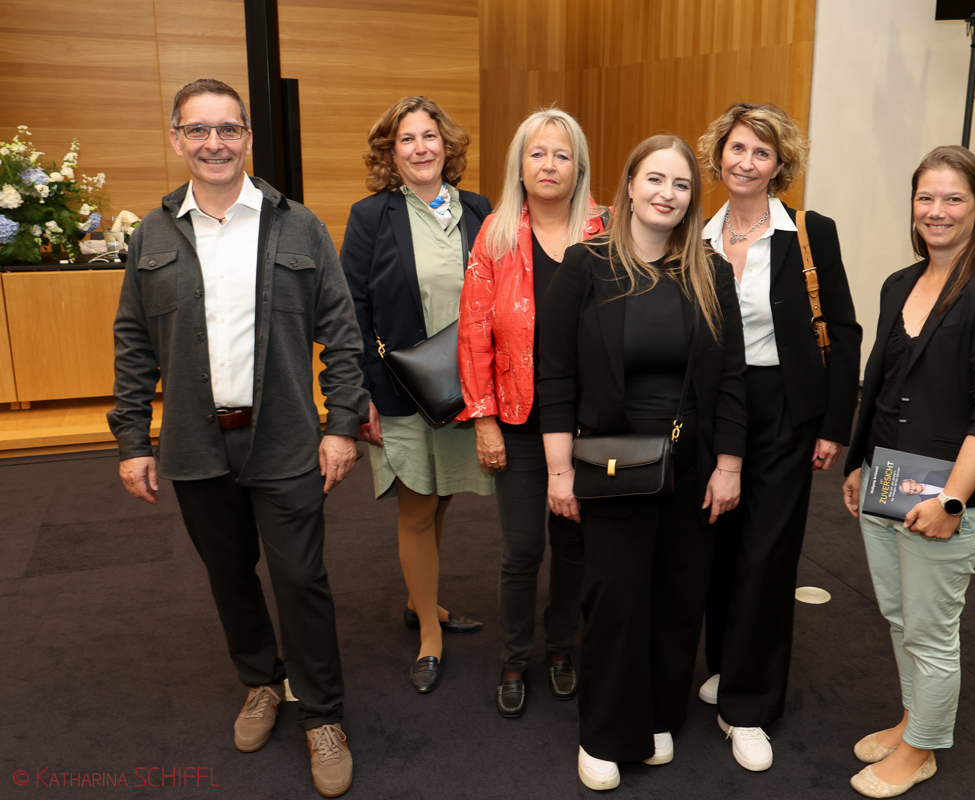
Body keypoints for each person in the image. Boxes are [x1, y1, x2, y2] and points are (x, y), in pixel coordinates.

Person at [109, 78, 364, 798]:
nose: (213, 143)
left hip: (285, 438)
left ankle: (323, 715)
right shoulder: (153, 234)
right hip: (194, 444)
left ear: (248, 138)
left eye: (227, 129)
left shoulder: (299, 226)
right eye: (198, 130)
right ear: (176, 139)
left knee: (300, 578)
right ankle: (261, 680)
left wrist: (342, 425)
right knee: (228, 574)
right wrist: (132, 440)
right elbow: (133, 341)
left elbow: (343, 336)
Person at [538, 134, 748, 790]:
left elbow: (733, 377)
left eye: (681, 185)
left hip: (692, 467)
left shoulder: (710, 272)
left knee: (679, 597)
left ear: (691, 199)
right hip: (610, 466)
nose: (667, 194)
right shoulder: (586, 265)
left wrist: (729, 465)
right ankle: (604, 734)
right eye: (655, 179)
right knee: (616, 600)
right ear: (629, 186)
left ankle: (659, 716)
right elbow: (555, 375)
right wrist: (558, 472)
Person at [841, 145, 975, 798]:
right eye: (926, 197)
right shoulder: (900, 282)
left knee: (930, 630)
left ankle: (921, 748)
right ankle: (910, 720)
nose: (937, 210)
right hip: (886, 480)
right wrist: (858, 463)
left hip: (944, 497)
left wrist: (952, 501)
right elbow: (881, 383)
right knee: (901, 617)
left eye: (954, 198)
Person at [694, 101, 862, 771]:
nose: (746, 161)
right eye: (737, 148)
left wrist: (834, 424)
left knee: (766, 555)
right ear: (719, 155)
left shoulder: (810, 233)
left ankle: (750, 705)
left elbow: (843, 330)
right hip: (712, 411)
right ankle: (726, 665)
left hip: (787, 409)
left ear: (778, 165)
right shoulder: (695, 236)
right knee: (717, 549)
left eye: (761, 152)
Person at [340, 96, 493, 695]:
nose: (421, 148)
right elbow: (352, 308)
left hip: (465, 387)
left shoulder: (478, 209)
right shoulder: (370, 216)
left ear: (447, 146)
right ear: (391, 152)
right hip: (399, 387)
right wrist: (359, 392)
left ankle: (417, 598)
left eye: (430, 136)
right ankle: (429, 631)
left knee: (444, 493)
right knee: (418, 505)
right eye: (407, 139)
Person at [457, 108, 606, 718]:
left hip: (588, 423)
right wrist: (484, 419)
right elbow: (474, 332)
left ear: (579, 167)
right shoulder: (495, 234)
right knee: (521, 549)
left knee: (574, 543)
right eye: (537, 153)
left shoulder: (606, 232)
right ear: (520, 165)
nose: (549, 165)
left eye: (562, 154)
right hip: (518, 420)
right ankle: (515, 657)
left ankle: (562, 646)